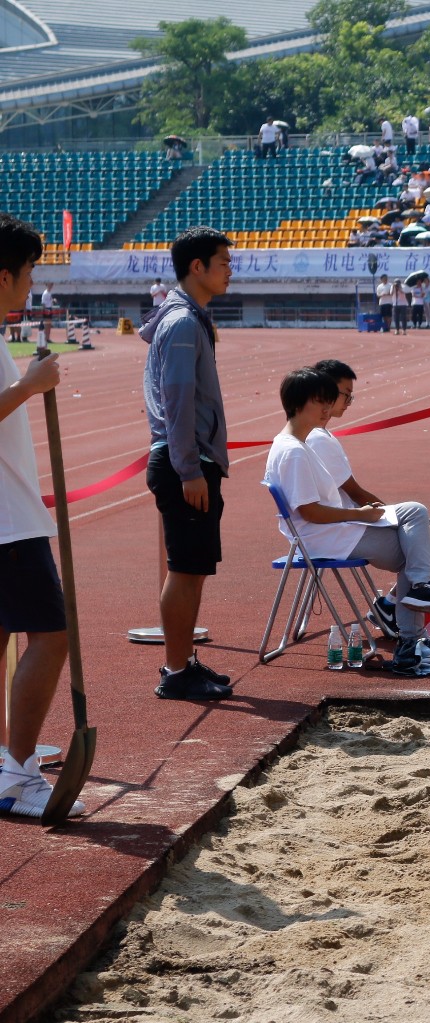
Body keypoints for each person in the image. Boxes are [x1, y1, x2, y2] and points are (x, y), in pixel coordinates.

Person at [265, 369, 430, 677]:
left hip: (334, 531)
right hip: (327, 537)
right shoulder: (294, 452)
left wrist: (361, 514)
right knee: (418, 546)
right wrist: (359, 515)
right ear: (300, 403)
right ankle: (410, 641)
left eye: (329, 401)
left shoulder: (293, 444)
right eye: (320, 402)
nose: (327, 409)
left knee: (415, 512)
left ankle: (420, 590)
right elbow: (311, 512)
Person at [0, 212, 84, 820]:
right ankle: (17, 770)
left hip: (9, 516)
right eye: (28, 271)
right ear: (4, 275)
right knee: (51, 638)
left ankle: (6, 759)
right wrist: (30, 386)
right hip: (9, 522)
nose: (31, 283)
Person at [141, 226, 234, 701]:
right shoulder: (181, 324)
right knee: (184, 568)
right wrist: (190, 470)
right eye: (222, 262)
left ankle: (185, 663)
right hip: (186, 463)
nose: (229, 270)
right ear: (196, 267)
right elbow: (176, 401)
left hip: (191, 459)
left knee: (194, 568)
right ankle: (176, 670)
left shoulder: (188, 319)